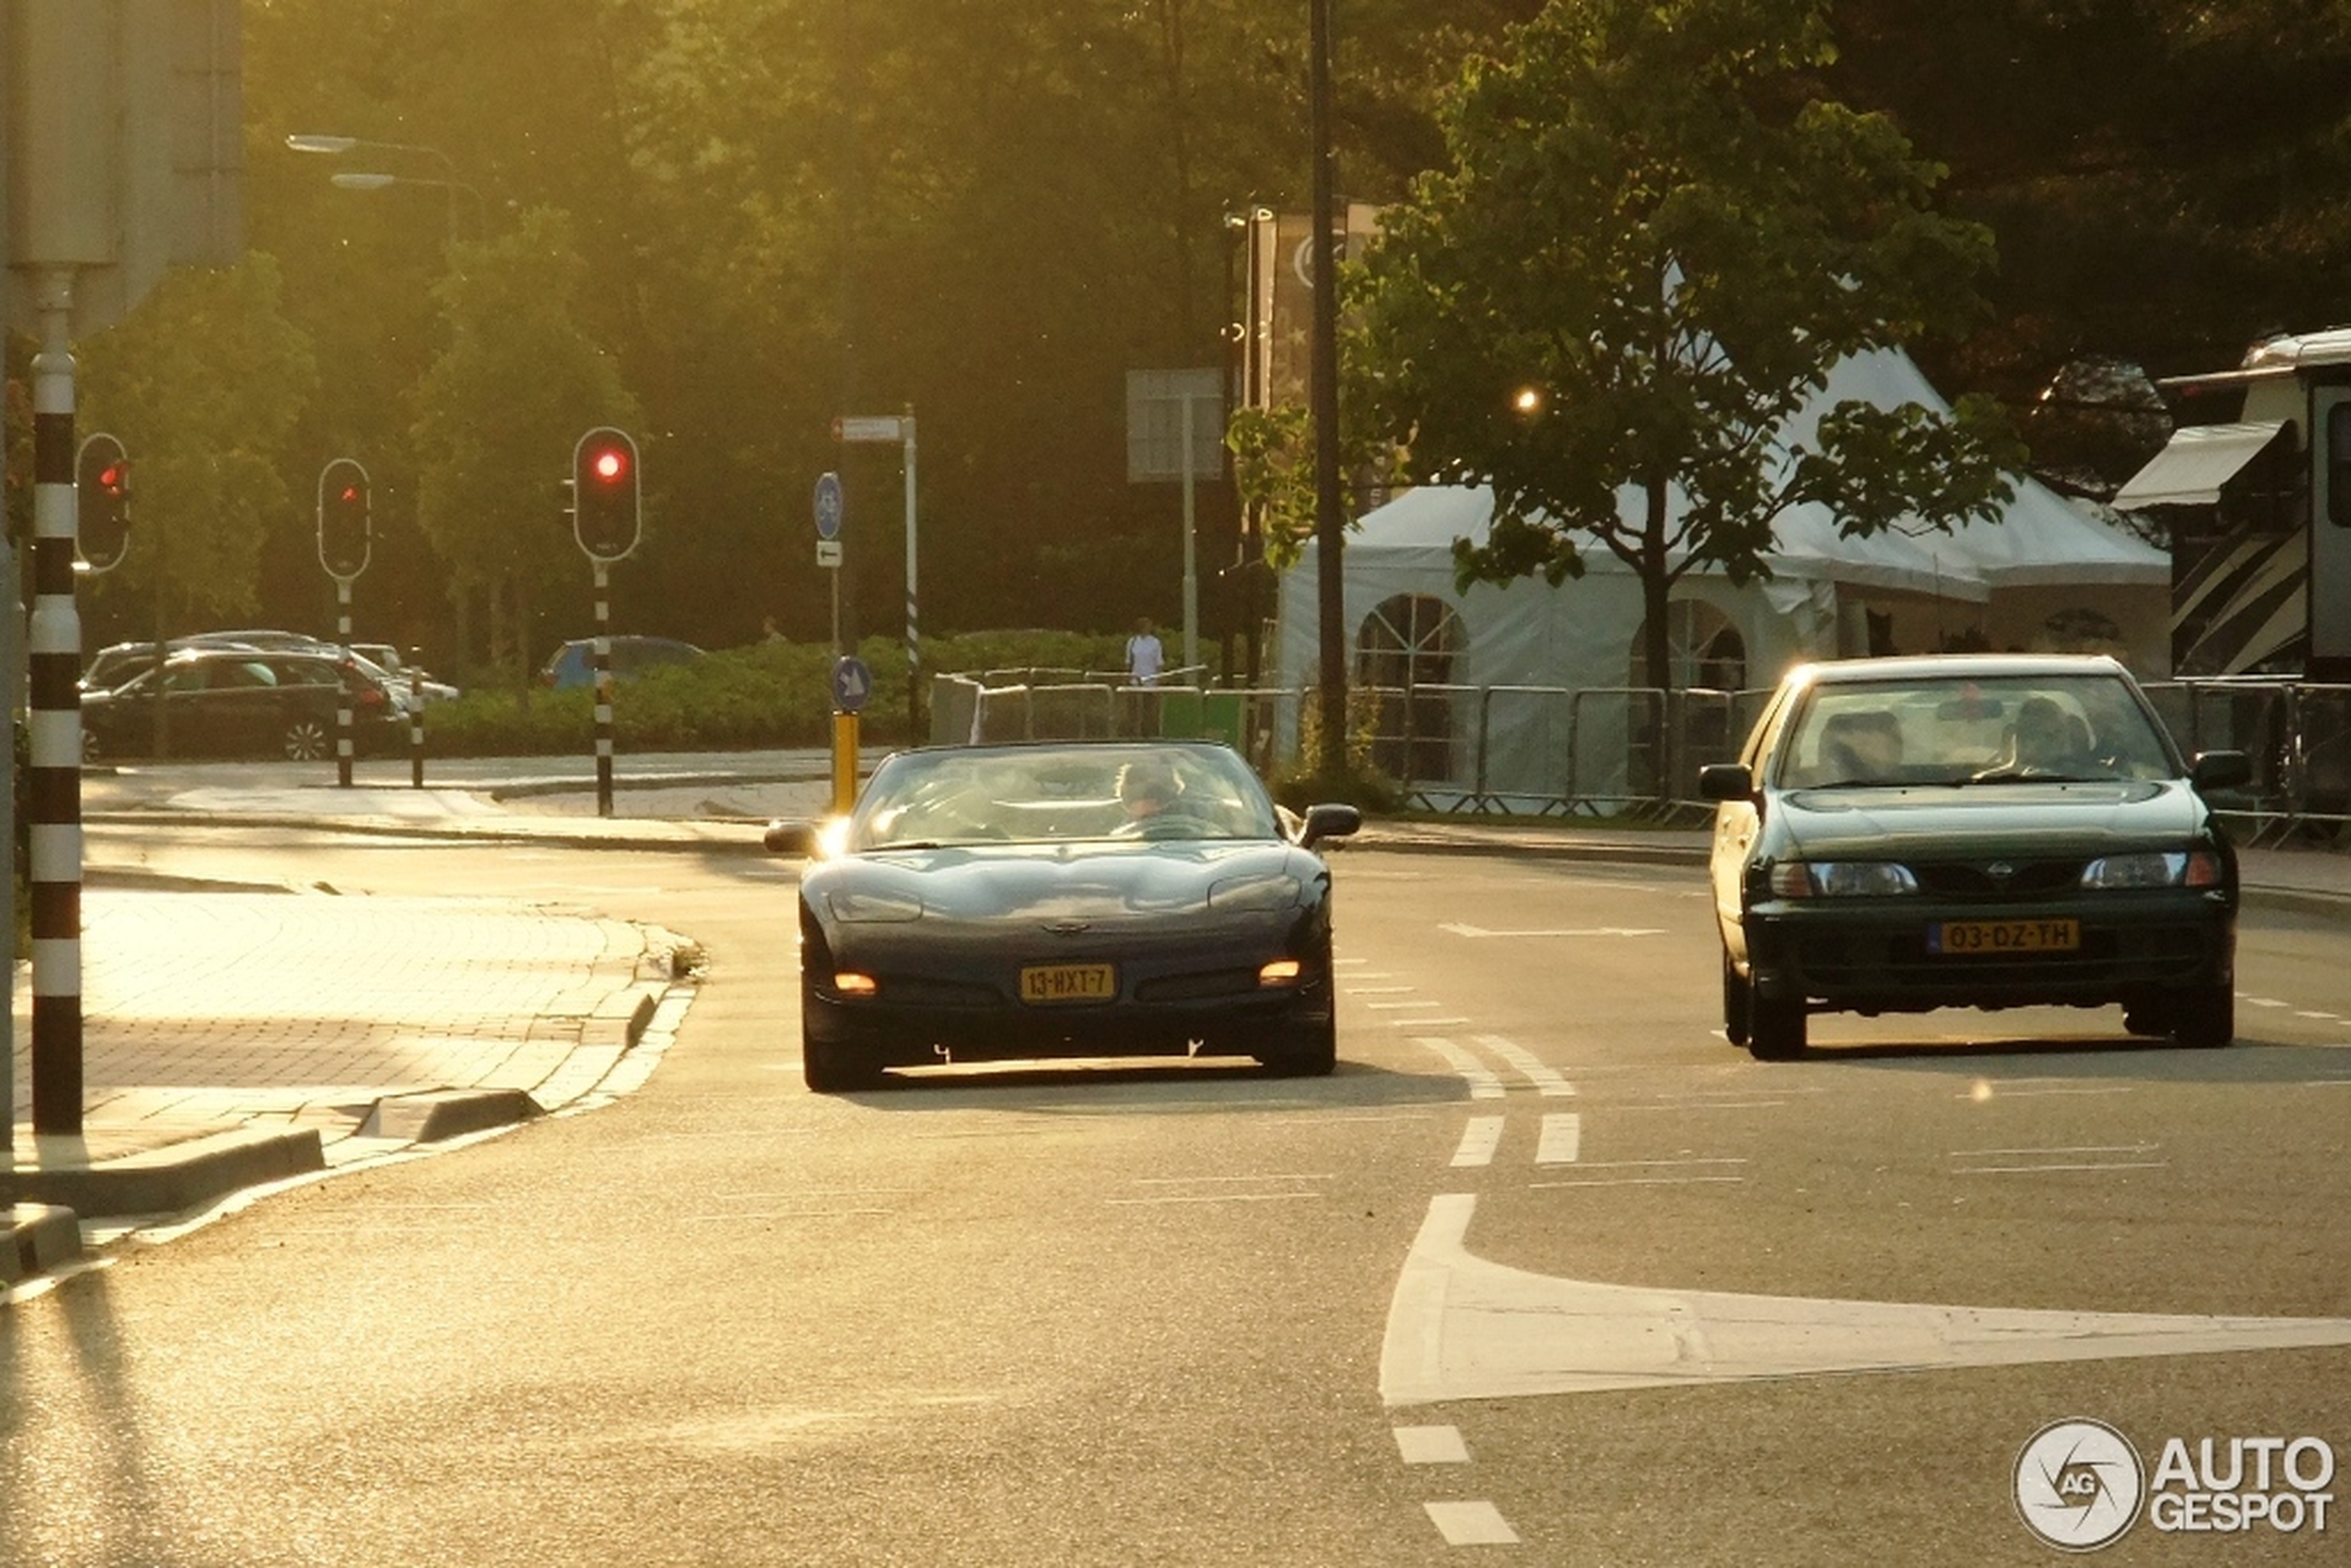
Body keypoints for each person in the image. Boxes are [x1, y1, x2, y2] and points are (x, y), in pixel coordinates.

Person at [1126, 616, 1164, 687]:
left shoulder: (1155, 642)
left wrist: (1159, 679)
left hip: (1151, 679)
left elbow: (1159, 662)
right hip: (1135, 679)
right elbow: (1128, 661)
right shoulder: (1132, 642)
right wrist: (1128, 678)